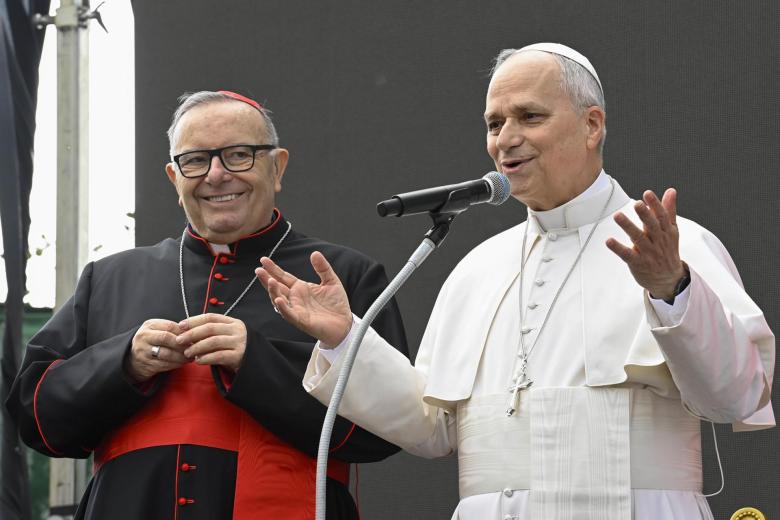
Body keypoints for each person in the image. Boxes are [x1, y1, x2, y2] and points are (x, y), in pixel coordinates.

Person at [256, 44, 775, 519]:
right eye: (494, 123)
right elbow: (433, 429)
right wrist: (346, 339)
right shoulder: (479, 267)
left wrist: (672, 288)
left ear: (592, 125)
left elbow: (736, 396)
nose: (506, 139)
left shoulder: (672, 244)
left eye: (530, 116)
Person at [6, 90, 408, 520]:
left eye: (239, 154)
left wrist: (257, 362)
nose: (216, 175)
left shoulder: (344, 275)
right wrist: (123, 362)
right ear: (173, 177)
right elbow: (35, 416)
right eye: (195, 160)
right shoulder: (108, 279)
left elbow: (389, 426)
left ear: (278, 167)